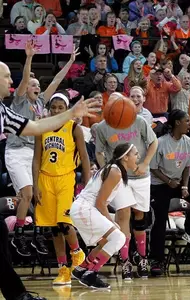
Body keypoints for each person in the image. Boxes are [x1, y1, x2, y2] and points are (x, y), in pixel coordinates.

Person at [0, 60, 99, 300]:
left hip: (64, 179)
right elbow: (36, 148)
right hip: (42, 175)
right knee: (50, 227)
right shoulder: (21, 106)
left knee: (5, 234)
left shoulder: (4, 111)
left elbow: (34, 126)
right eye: (5, 77)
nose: (11, 82)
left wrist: (72, 113)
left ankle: (19, 292)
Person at [9, 43, 80, 257]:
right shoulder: (20, 101)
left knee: (37, 197)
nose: (36, 87)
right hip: (16, 152)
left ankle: (36, 234)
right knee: (28, 193)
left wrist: (69, 62)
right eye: (33, 85)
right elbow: (23, 81)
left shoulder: (42, 103)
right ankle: (20, 235)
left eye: (38, 84)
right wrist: (29, 57)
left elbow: (57, 80)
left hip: (34, 153)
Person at [95, 95, 158, 280]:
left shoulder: (138, 120)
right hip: (119, 177)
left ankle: (142, 258)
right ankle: (125, 261)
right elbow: (99, 152)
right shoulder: (102, 127)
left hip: (140, 176)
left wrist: (146, 162)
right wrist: (106, 170)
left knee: (140, 216)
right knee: (123, 216)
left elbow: (154, 142)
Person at [32, 92, 90, 285]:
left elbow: (85, 158)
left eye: (60, 107)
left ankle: (77, 252)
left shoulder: (74, 128)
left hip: (66, 178)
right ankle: (63, 270)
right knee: (54, 229)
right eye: (54, 107)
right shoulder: (42, 128)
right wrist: (35, 185)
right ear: (49, 109)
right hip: (45, 179)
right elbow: (36, 158)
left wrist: (87, 184)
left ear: (67, 110)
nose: (56, 110)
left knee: (64, 222)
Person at [149, 109, 190, 276]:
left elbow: (187, 166)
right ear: (177, 122)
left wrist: (184, 186)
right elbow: (153, 167)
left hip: (179, 181)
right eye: (187, 121)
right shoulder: (161, 142)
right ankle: (156, 261)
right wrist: (168, 181)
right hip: (160, 184)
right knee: (160, 222)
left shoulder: (188, 141)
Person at [70, 143, 138, 289]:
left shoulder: (115, 170)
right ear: (125, 157)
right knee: (118, 237)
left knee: (108, 239)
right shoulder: (115, 172)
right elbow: (101, 203)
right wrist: (111, 222)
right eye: (135, 154)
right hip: (85, 208)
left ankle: (81, 268)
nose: (138, 157)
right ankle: (91, 274)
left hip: (83, 208)